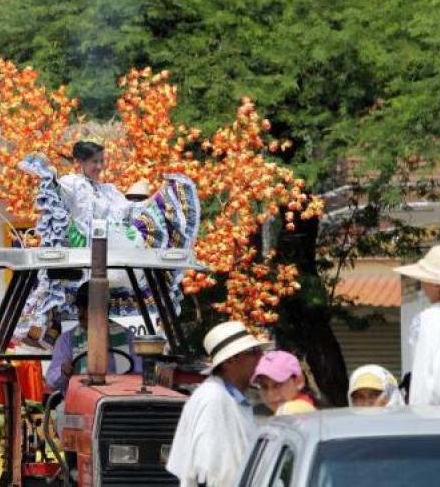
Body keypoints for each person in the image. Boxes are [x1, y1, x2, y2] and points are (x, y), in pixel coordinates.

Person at [16, 139, 200, 344]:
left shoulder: (108, 190)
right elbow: (57, 195)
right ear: (80, 161)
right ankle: (48, 331)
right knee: (58, 289)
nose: (99, 166)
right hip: (83, 249)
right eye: (94, 161)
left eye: (101, 161)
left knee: (128, 281)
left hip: (107, 249)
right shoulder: (72, 183)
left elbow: (128, 209)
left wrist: (155, 201)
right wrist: (47, 173)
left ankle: (117, 331)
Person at [167, 321, 266, 487]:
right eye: (252, 351)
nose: (260, 357)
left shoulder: (227, 396)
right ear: (229, 361)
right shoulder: (214, 398)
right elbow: (211, 474)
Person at [394, 245, 440, 405]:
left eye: (424, 281)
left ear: (437, 286)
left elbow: (423, 382)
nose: (422, 286)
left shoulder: (429, 320)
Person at [45, 283, 142, 394]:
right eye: (79, 308)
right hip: (79, 404)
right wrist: (62, 371)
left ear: (103, 310)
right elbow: (51, 382)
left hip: (119, 401)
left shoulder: (127, 336)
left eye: (87, 308)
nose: (80, 313)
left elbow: (139, 374)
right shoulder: (66, 339)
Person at [251, 350, 316, 416]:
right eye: (264, 386)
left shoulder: (291, 410)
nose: (270, 394)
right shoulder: (304, 406)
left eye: (278, 385)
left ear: (298, 381)